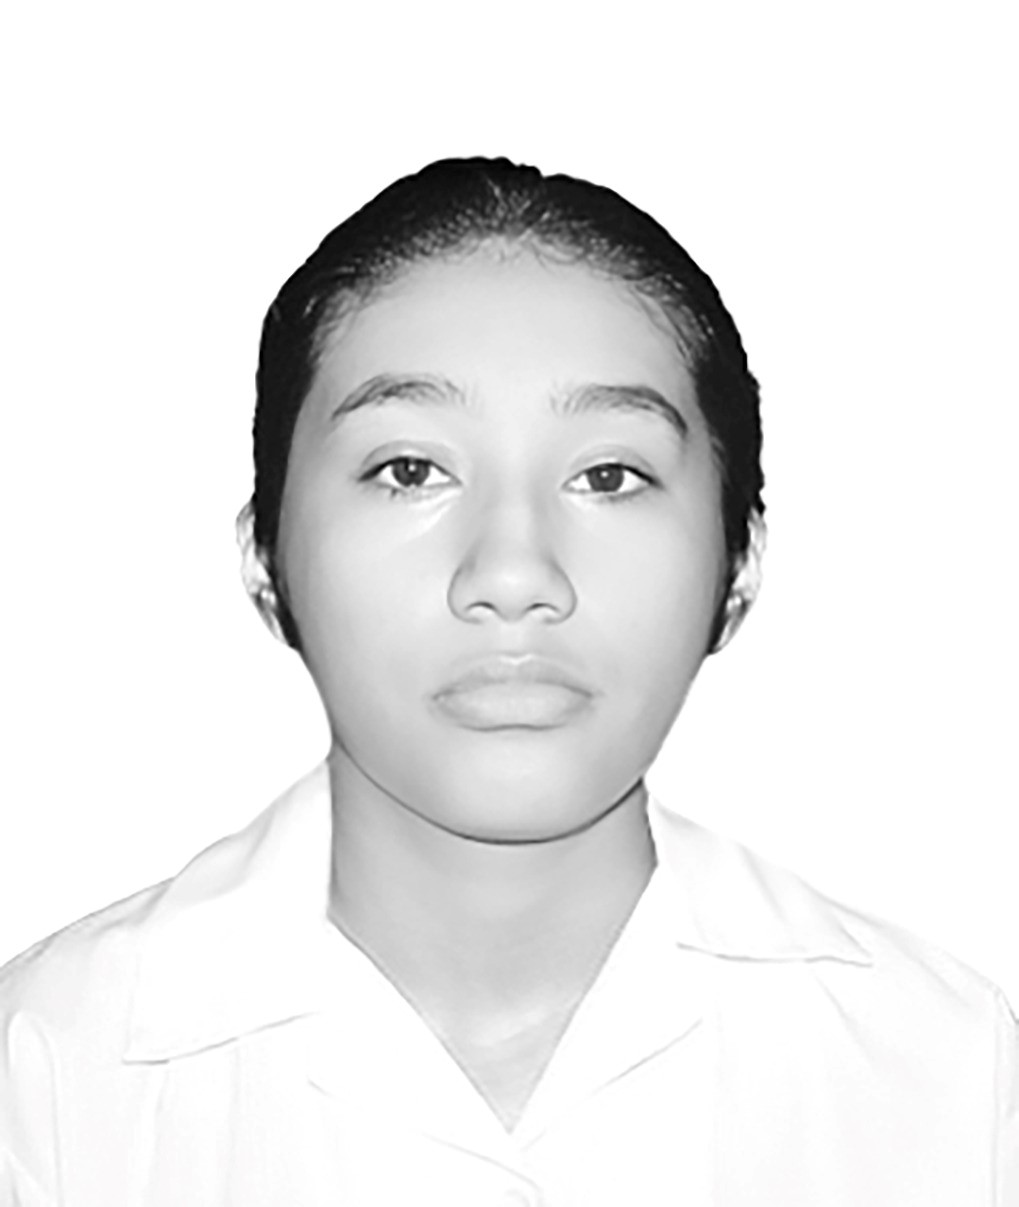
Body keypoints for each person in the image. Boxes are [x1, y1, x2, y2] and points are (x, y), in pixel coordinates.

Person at [0, 157, 1015, 1206]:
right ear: (266, 557)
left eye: (607, 475)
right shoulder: (46, 1073)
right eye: (408, 470)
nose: (514, 573)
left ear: (739, 561)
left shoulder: (949, 1071)